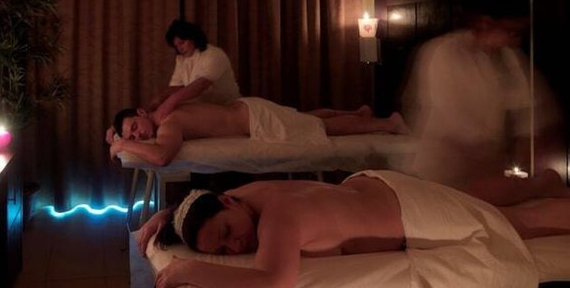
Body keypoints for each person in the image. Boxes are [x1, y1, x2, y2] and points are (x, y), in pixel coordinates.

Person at [137, 170, 570, 288]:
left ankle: (549, 199)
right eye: (222, 251)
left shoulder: (278, 217)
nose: (235, 247)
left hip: (410, 218)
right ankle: (542, 181)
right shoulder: (248, 196)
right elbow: (202, 209)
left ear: (228, 202)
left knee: (511, 224)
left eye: (227, 234)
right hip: (384, 187)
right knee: (466, 193)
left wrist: (190, 269)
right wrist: (165, 217)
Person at [403, 1, 558, 188]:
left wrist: (524, 154)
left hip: (487, 174)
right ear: (485, 23)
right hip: (441, 172)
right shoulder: (443, 53)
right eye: (511, 32)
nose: (516, 41)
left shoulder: (510, 59)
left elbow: (530, 113)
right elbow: (455, 124)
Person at [109, 97, 409, 166]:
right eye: (132, 136)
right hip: (250, 110)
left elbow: (161, 156)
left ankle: (389, 124)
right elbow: (140, 132)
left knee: (320, 129)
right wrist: (118, 135)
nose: (138, 136)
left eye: (135, 128)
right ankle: (358, 114)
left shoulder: (169, 124)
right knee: (306, 119)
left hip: (256, 121)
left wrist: (122, 145)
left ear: (141, 113)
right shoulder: (161, 110)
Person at [105, 19, 240, 145]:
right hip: (202, 110)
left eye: (182, 42)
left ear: (193, 37)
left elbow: (200, 86)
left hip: (227, 107)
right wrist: (118, 126)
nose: (179, 48)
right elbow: (175, 88)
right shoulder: (182, 60)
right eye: (176, 46)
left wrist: (167, 106)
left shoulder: (213, 54)